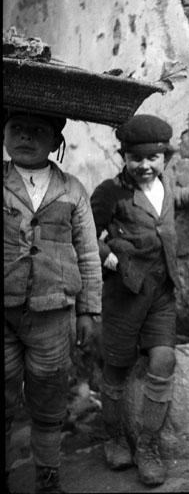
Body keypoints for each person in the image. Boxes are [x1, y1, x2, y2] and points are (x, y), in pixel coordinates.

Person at [90, 114, 189, 487]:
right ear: (124, 157)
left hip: (160, 291)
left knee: (163, 359)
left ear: (164, 158)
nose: (144, 166)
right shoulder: (110, 192)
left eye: (152, 158)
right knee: (117, 368)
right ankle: (114, 438)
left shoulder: (165, 184)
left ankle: (148, 446)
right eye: (135, 158)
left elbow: (177, 199)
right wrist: (109, 257)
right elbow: (86, 233)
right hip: (124, 293)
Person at [4, 110, 102, 494]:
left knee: (48, 396)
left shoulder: (71, 190)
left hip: (53, 313)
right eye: (16, 129)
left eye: (37, 131)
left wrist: (89, 310)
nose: (25, 137)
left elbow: (88, 252)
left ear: (56, 142)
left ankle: (48, 478)